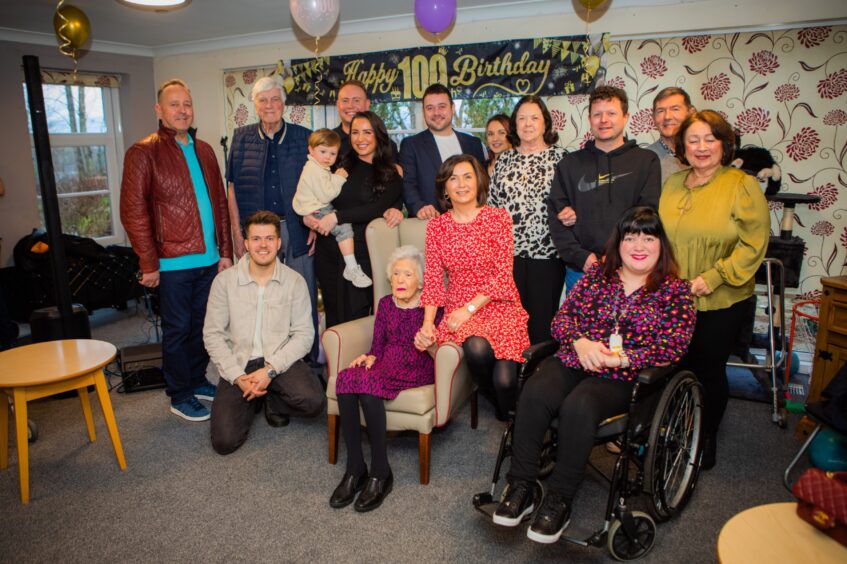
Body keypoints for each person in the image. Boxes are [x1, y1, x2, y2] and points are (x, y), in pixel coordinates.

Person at [493, 206, 696, 544]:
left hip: (622, 377)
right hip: (576, 358)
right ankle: (522, 485)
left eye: (648, 237)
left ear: (662, 245)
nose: (639, 245)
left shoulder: (675, 291)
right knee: (535, 390)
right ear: (618, 243)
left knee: (579, 406)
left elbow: (674, 346)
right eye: (630, 237)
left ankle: (559, 499)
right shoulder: (598, 276)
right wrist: (581, 342)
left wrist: (624, 359)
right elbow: (562, 320)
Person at [659, 110, 770, 470]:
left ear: (723, 144)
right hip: (673, 297)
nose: (701, 147)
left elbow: (753, 245)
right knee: (673, 366)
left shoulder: (741, 185)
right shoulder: (673, 184)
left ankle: (704, 438)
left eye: (710, 139)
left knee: (707, 370)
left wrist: (715, 276)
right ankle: (675, 429)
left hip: (719, 298)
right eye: (693, 140)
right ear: (682, 146)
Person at [120, 79, 233, 421]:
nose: (182, 110)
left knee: (203, 326)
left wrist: (225, 251)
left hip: (209, 259)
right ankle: (179, 393)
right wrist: (148, 263)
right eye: (174, 104)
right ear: (159, 110)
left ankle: (197, 380)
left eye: (187, 103)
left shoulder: (205, 150)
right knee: (177, 329)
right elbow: (133, 211)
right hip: (171, 263)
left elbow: (220, 205)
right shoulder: (143, 153)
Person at [330, 245, 443, 512]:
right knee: (346, 379)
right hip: (386, 364)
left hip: (417, 366)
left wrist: (428, 344)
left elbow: (443, 354)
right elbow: (378, 347)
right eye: (395, 274)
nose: (400, 280)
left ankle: (380, 473)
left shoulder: (433, 309)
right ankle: (355, 469)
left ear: (421, 281)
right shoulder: (384, 304)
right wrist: (368, 357)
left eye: (407, 274)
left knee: (368, 387)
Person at [416, 155, 530, 420]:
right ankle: (507, 412)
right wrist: (428, 323)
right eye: (453, 178)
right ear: (445, 188)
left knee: (505, 382)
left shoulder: (498, 218)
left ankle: (512, 418)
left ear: (479, 181)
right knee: (477, 350)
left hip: (498, 303)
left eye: (468, 176)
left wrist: (468, 310)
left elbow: (503, 274)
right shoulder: (437, 226)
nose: (461, 184)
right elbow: (433, 279)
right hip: (459, 306)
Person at [203, 211, 323, 454]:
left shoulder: (294, 281)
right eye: (256, 239)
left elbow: (303, 335)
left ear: (279, 243)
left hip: (277, 361)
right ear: (246, 243)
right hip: (239, 363)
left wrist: (269, 371)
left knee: (314, 402)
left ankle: (270, 398)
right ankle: (252, 397)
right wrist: (238, 377)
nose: (263, 245)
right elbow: (213, 335)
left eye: (269, 238)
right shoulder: (224, 282)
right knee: (224, 443)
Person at [226, 75, 319, 363]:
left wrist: (313, 221)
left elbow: (317, 183)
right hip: (258, 234)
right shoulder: (241, 139)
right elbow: (231, 189)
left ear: (284, 104)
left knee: (301, 298)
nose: (269, 105)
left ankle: (306, 366)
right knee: (262, 300)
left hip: (296, 228)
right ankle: (263, 362)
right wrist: (236, 233)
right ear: (255, 105)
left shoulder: (304, 137)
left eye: (275, 99)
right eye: (263, 100)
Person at [548, 85, 661, 293]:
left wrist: (620, 254)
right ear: (589, 119)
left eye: (611, 113)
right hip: (581, 271)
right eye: (597, 114)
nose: (604, 120)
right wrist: (583, 258)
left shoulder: (646, 161)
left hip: (630, 268)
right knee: (579, 326)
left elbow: (648, 214)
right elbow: (556, 218)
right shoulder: (569, 164)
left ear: (625, 117)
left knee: (628, 327)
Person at [308, 111, 403, 328]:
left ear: (378, 135)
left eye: (367, 132)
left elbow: (375, 208)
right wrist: (309, 216)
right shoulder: (338, 165)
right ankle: (336, 363)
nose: (360, 139)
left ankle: (359, 362)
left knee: (357, 318)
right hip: (329, 250)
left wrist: (337, 217)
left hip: (362, 255)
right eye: (355, 132)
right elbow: (316, 194)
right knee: (334, 316)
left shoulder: (391, 173)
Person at [489, 96, 567, 344]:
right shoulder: (504, 160)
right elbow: (493, 207)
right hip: (508, 259)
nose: (527, 123)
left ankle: (539, 380)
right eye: (521, 118)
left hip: (548, 257)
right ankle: (511, 380)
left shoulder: (562, 159)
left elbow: (573, 202)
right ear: (514, 125)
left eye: (534, 117)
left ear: (545, 123)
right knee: (510, 326)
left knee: (541, 328)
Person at [293, 128, 372, 288]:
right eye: (323, 151)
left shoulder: (317, 167)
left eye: (332, 153)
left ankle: (351, 266)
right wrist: (339, 178)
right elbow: (326, 195)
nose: (327, 157)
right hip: (317, 209)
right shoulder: (314, 169)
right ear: (311, 150)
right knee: (344, 228)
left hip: (314, 207)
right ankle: (351, 267)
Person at [399, 84, 486, 220]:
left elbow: (482, 184)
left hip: (472, 223)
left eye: (442, 106)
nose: (436, 113)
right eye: (430, 108)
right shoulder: (411, 145)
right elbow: (407, 184)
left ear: (452, 108)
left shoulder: (473, 144)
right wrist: (419, 206)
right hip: (429, 223)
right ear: (423, 112)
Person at [647, 87, 694, 183]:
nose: (667, 117)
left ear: (690, 113)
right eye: (660, 111)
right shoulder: (645, 159)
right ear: (653, 117)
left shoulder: (703, 154)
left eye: (675, 109)